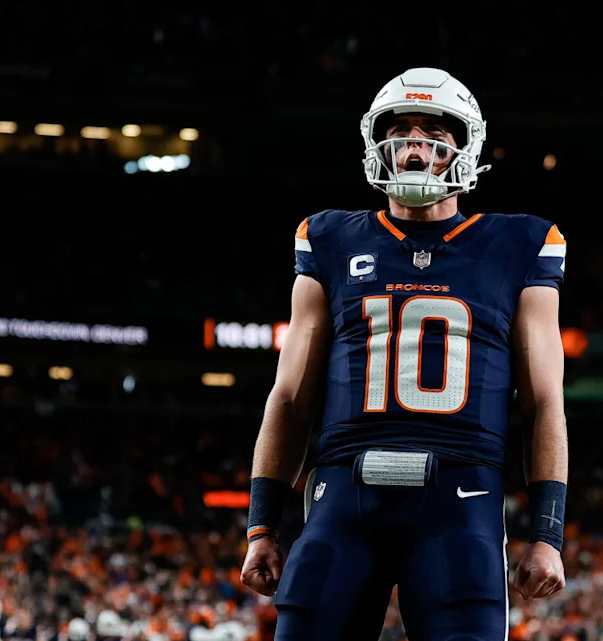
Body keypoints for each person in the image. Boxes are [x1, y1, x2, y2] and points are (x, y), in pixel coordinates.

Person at [240, 67, 568, 640]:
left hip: (461, 497)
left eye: (433, 131)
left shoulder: (522, 242)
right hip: (342, 492)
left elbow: (545, 401)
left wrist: (548, 532)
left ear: (464, 146)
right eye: (403, 129)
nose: (415, 144)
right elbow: (289, 394)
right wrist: (261, 524)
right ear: (377, 142)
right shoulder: (329, 237)